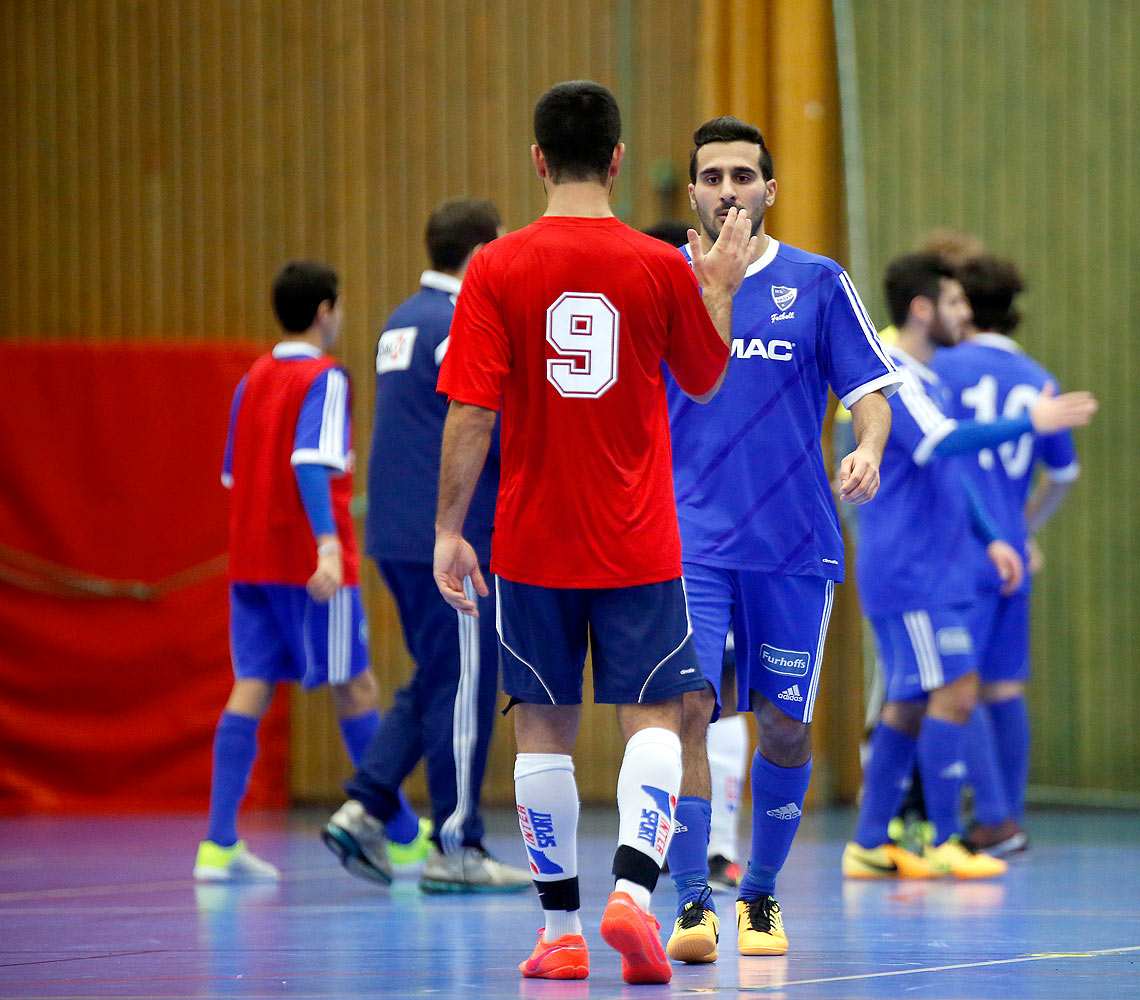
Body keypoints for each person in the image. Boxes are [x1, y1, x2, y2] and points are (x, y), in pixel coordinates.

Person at [431, 81, 755, 985]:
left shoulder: (494, 267)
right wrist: (718, 290)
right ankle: (636, 898)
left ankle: (562, 932)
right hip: (638, 541)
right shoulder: (657, 265)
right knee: (654, 717)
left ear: (538, 159)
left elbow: (470, 409)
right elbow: (704, 380)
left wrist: (450, 527)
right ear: (618, 160)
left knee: (542, 727)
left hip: (531, 542)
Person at [660, 116, 902, 965]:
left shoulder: (820, 281)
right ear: (692, 191)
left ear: (770, 189)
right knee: (688, 712)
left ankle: (757, 894)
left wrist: (868, 446)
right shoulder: (665, 284)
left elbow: (871, 388)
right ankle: (692, 898)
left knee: (785, 729)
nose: (728, 189)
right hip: (687, 540)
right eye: (712, 175)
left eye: (743, 175)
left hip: (794, 543)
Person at [842, 252, 1095, 881]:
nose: (966, 315)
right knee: (955, 689)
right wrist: (1027, 420)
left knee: (906, 702)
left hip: (932, 567)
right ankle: (946, 837)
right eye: (955, 304)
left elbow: (952, 471)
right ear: (925, 310)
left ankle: (872, 841)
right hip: (910, 569)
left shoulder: (931, 380)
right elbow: (942, 443)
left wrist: (992, 538)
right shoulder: (892, 374)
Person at [321, 198, 531, 894]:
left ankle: (365, 806)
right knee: (465, 684)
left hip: (393, 533)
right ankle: (458, 845)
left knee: (440, 674)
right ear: (480, 253)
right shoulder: (461, 322)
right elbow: (481, 422)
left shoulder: (401, 320)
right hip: (451, 537)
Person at [197, 260, 421, 881]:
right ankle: (399, 829)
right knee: (356, 686)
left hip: (251, 559)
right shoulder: (326, 378)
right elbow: (311, 462)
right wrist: (325, 545)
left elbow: (232, 475)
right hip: (310, 563)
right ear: (326, 310)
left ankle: (217, 843)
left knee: (253, 683)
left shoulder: (252, 378)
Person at [931, 254, 1080, 856]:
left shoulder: (940, 367)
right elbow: (1065, 473)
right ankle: (1007, 819)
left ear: (962, 305)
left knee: (951, 683)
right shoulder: (1041, 379)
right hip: (1012, 553)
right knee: (1002, 687)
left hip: (955, 547)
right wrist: (1023, 525)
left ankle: (991, 817)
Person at [642, 217, 749, 896]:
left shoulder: (726, 326)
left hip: (722, 536)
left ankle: (714, 847)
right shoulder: (666, 337)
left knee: (710, 702)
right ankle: (678, 853)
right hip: (673, 540)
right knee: (687, 706)